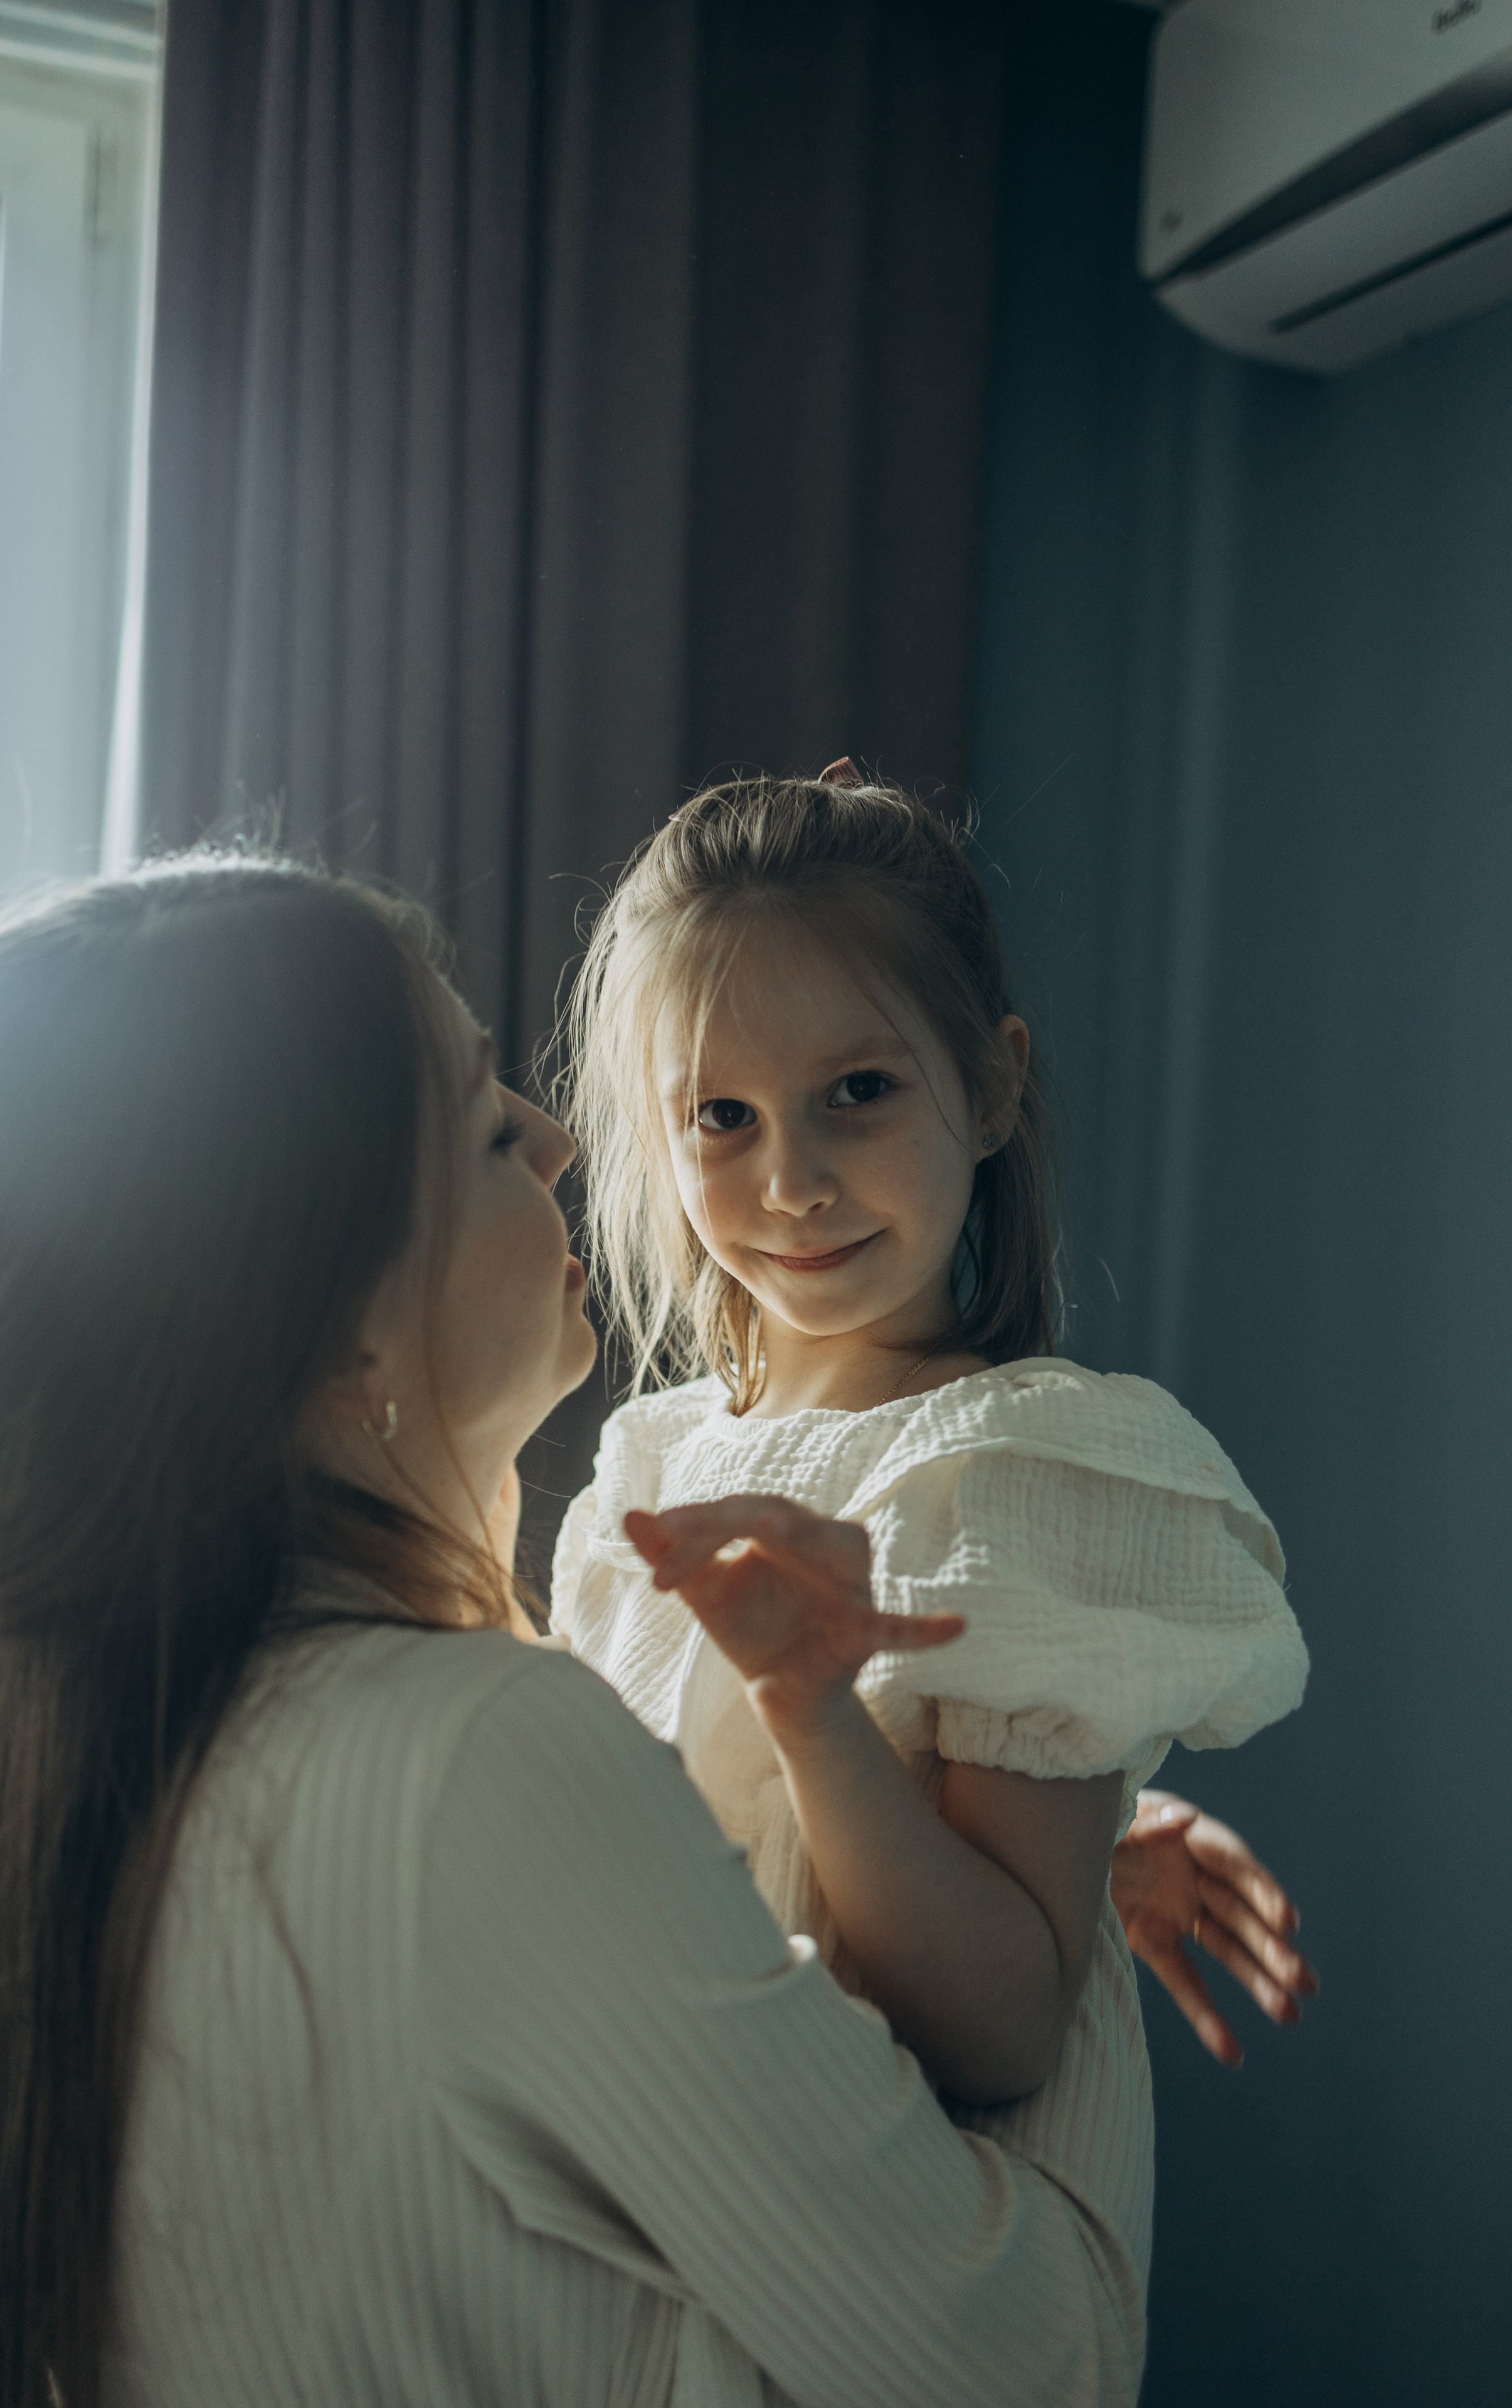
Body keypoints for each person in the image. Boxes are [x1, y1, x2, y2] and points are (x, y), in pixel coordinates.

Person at [0, 852, 1277, 2408]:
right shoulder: (488, 1743)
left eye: (854, 1090)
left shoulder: (94, 1745)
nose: (565, 1139)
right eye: (494, 1123)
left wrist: (1007, 1810)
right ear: (335, 1302)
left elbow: (656, 1892)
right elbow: (1037, 2363)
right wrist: (1066, 1933)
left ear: (987, 1087)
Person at [547, 766, 1313, 2383]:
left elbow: (995, 2031)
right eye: (722, 1119)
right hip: (670, 2268)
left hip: (909, 2298)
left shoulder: (1024, 1470)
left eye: (857, 1092)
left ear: (986, 1084)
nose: (790, 1184)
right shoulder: (642, 1474)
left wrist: (817, 1716)